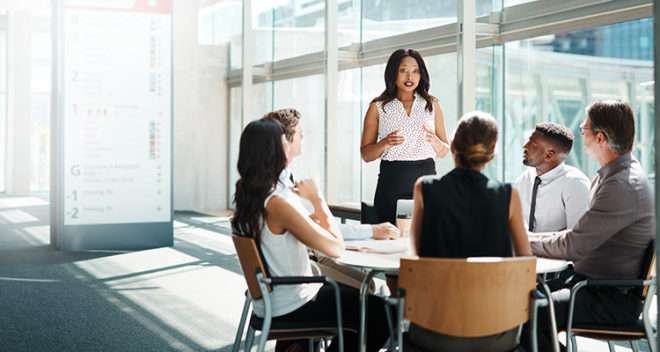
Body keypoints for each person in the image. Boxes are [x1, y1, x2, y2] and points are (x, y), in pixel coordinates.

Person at [231, 119, 389, 352]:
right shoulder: (277, 203)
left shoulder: (248, 196)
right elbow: (335, 249)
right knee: (384, 314)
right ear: (274, 150)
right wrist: (317, 199)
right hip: (294, 303)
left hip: (272, 300)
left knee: (360, 308)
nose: (289, 141)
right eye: (284, 139)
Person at [523, 100, 655, 351]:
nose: (581, 133)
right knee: (521, 300)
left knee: (531, 312)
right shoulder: (613, 176)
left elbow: (574, 245)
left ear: (601, 138)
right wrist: (527, 237)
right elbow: (577, 236)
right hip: (592, 284)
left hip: (609, 297)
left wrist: (524, 241)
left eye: (584, 129)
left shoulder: (621, 185)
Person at [408, 111, 532, 352]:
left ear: (453, 146)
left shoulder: (424, 188)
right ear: (491, 153)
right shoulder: (508, 195)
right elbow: (525, 264)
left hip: (432, 331)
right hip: (497, 334)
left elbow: (415, 257)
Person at [263, 108, 400, 241]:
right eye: (299, 133)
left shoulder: (275, 182)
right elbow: (327, 239)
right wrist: (372, 231)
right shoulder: (279, 195)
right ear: (285, 141)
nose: (303, 136)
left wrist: (308, 219)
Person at [361, 48, 450, 225]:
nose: (410, 77)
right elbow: (366, 155)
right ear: (393, 73)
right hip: (392, 182)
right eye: (403, 71)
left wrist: (434, 141)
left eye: (415, 71)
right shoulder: (378, 106)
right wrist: (384, 143)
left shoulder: (432, 104)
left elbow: (444, 151)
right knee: (389, 237)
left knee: (426, 239)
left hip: (426, 181)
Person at [514, 122, 590, 232]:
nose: (525, 146)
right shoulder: (524, 179)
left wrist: (532, 241)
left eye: (532, 144)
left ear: (549, 155)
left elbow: (578, 240)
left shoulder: (575, 184)